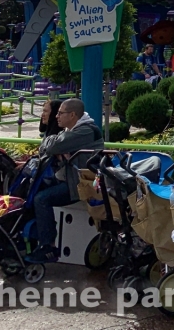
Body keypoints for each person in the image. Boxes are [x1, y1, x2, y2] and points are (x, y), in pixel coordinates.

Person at [28, 98, 104, 263]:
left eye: (60, 113)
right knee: (30, 190)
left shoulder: (86, 131)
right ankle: (30, 240)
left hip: (82, 185)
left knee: (41, 199)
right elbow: (46, 144)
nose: (57, 116)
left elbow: (52, 147)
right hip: (68, 180)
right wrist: (55, 147)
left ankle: (49, 247)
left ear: (72, 115)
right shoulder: (70, 131)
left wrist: (56, 148)